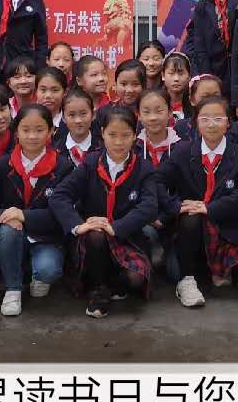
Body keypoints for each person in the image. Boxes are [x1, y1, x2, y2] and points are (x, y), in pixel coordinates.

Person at [50, 104, 161, 319]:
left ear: (135, 135)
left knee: (136, 280)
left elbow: (149, 206)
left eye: (125, 135)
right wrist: (78, 225)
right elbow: (59, 196)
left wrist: (117, 227)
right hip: (94, 240)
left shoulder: (144, 167)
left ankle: (112, 281)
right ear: (102, 133)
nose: (118, 142)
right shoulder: (91, 163)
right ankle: (99, 289)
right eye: (112, 135)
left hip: (127, 236)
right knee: (96, 233)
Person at [158, 96, 238, 307]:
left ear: (228, 122)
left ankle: (218, 270)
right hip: (193, 232)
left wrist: (209, 207)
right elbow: (156, 180)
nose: (212, 124)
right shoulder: (182, 151)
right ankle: (187, 280)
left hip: (230, 230)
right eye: (205, 119)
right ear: (195, 122)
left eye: (218, 118)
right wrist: (175, 206)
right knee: (190, 215)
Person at [0, 103, 71, 317]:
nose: (32, 136)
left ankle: (38, 275)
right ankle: (12, 288)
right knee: (8, 230)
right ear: (16, 132)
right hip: (10, 236)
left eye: (39, 130)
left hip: (47, 236)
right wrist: (8, 216)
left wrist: (23, 215)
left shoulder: (63, 166)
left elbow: (63, 214)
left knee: (48, 270)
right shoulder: (2, 166)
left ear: (51, 131)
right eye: (25, 130)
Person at [55, 87, 97, 165]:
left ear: (93, 115)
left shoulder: (103, 147)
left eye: (83, 114)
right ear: (63, 118)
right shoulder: (55, 150)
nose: (78, 120)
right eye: (72, 115)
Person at [160, 51, 193, 122]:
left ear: (189, 76)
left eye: (181, 74)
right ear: (163, 75)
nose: (176, 78)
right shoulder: (155, 102)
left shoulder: (194, 104)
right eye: (171, 73)